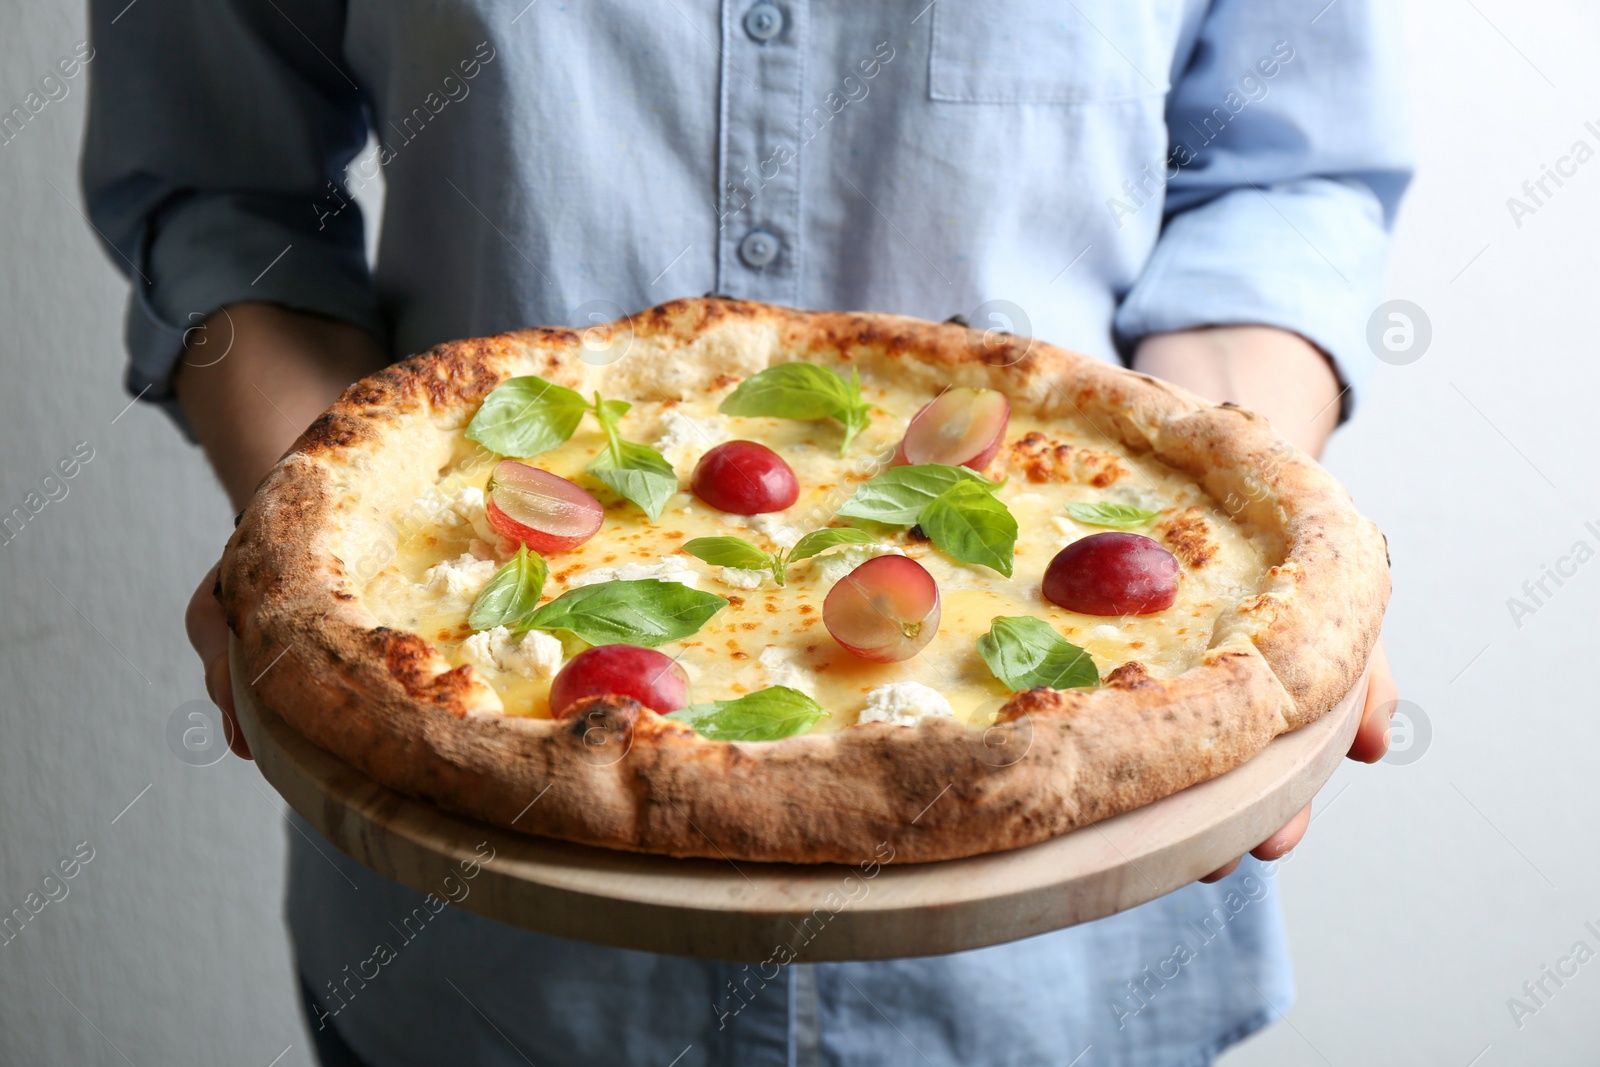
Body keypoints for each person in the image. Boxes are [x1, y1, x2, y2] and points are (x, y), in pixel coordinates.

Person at [83, 1, 1406, 1063]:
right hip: (484, 964)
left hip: (1068, 958)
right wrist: (303, 550)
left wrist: (1240, 567)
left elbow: (1284, 177)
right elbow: (220, 193)